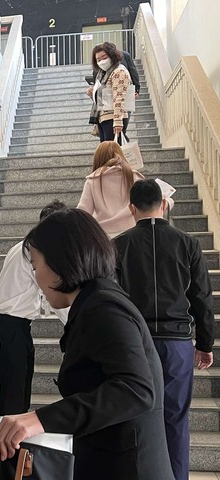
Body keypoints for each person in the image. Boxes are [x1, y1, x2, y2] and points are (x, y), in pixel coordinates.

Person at [0, 208, 174, 480]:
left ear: (60, 263)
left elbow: (136, 389)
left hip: (129, 467)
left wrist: (41, 419)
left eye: (36, 267)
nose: (36, 279)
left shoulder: (103, 308)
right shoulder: (94, 301)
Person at [114, 179, 215, 480]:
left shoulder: (118, 245)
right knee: (176, 419)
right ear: (162, 205)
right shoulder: (188, 243)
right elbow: (202, 296)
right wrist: (205, 343)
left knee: (137, 415)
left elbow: (111, 297)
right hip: (177, 342)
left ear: (131, 208)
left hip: (137, 341)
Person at [0, 200, 68, 416]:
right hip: (11, 328)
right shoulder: (34, 252)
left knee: (19, 394)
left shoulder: (22, 247)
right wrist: (74, 323)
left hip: (13, 327)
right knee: (14, 399)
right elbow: (55, 292)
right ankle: (8, 438)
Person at [77, 140, 144, 236]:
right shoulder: (134, 176)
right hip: (132, 232)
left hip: (103, 235)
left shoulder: (93, 180)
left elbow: (83, 212)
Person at [87, 42, 132, 143]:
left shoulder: (119, 72)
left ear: (112, 55)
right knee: (107, 150)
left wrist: (118, 121)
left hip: (113, 117)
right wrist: (93, 93)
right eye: (98, 60)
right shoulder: (102, 74)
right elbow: (104, 98)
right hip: (103, 117)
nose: (102, 62)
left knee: (113, 150)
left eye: (104, 57)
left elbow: (119, 97)